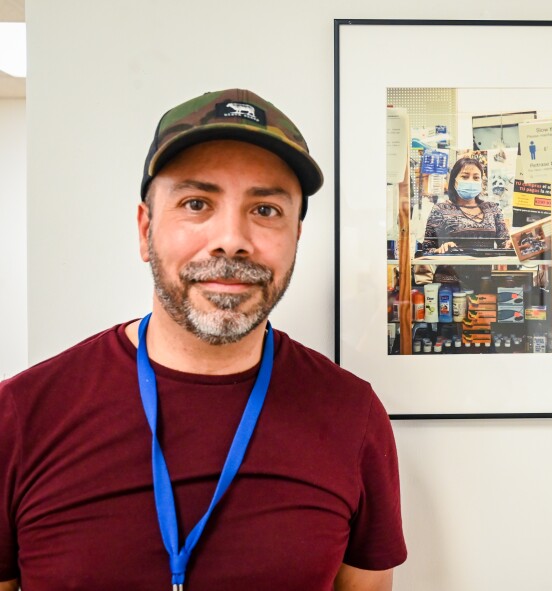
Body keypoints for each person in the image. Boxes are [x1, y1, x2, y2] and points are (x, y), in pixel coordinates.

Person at [0, 89, 406, 591]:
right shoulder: (21, 415)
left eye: (266, 210)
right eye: (197, 203)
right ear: (146, 228)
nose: (231, 238)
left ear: (296, 236)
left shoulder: (353, 415)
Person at [421, 156, 510, 255]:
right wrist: (442, 250)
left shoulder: (492, 208)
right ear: (454, 180)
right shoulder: (440, 209)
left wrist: (511, 244)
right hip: (451, 270)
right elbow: (426, 250)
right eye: (465, 176)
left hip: (484, 270)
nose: (471, 181)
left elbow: (505, 244)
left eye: (476, 177)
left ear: (481, 181)